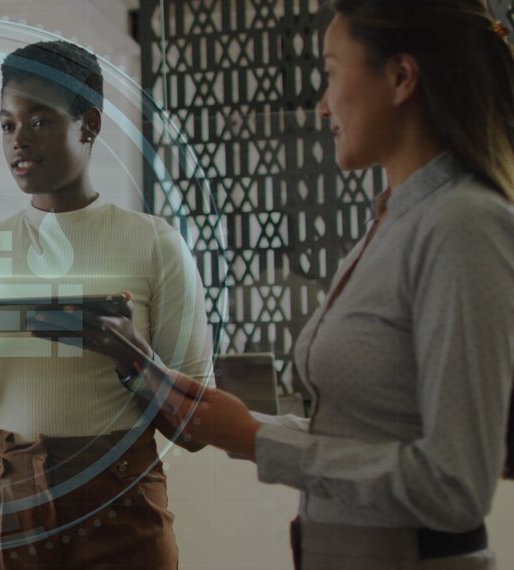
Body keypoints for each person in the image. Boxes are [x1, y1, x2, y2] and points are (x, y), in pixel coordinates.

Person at [97, 1, 514, 569]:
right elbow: (360, 436)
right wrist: (236, 422)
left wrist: (256, 440)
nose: (321, 107)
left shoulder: (463, 225)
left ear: (400, 77)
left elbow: (453, 484)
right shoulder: (391, 222)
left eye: (332, 72)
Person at [0, 40, 214, 568]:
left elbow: (195, 429)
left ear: (89, 124)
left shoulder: (155, 244)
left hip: (121, 509)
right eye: (7, 124)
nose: (18, 140)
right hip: (6, 513)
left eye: (39, 121)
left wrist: (134, 360)